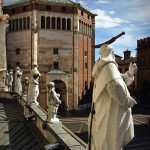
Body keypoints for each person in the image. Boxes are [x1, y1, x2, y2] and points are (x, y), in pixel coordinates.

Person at [87, 44, 138, 150]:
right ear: (113, 54)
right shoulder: (109, 66)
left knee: (103, 143)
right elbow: (115, 84)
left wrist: (130, 73)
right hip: (109, 115)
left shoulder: (103, 67)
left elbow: (118, 79)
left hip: (102, 113)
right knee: (109, 144)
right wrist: (127, 100)